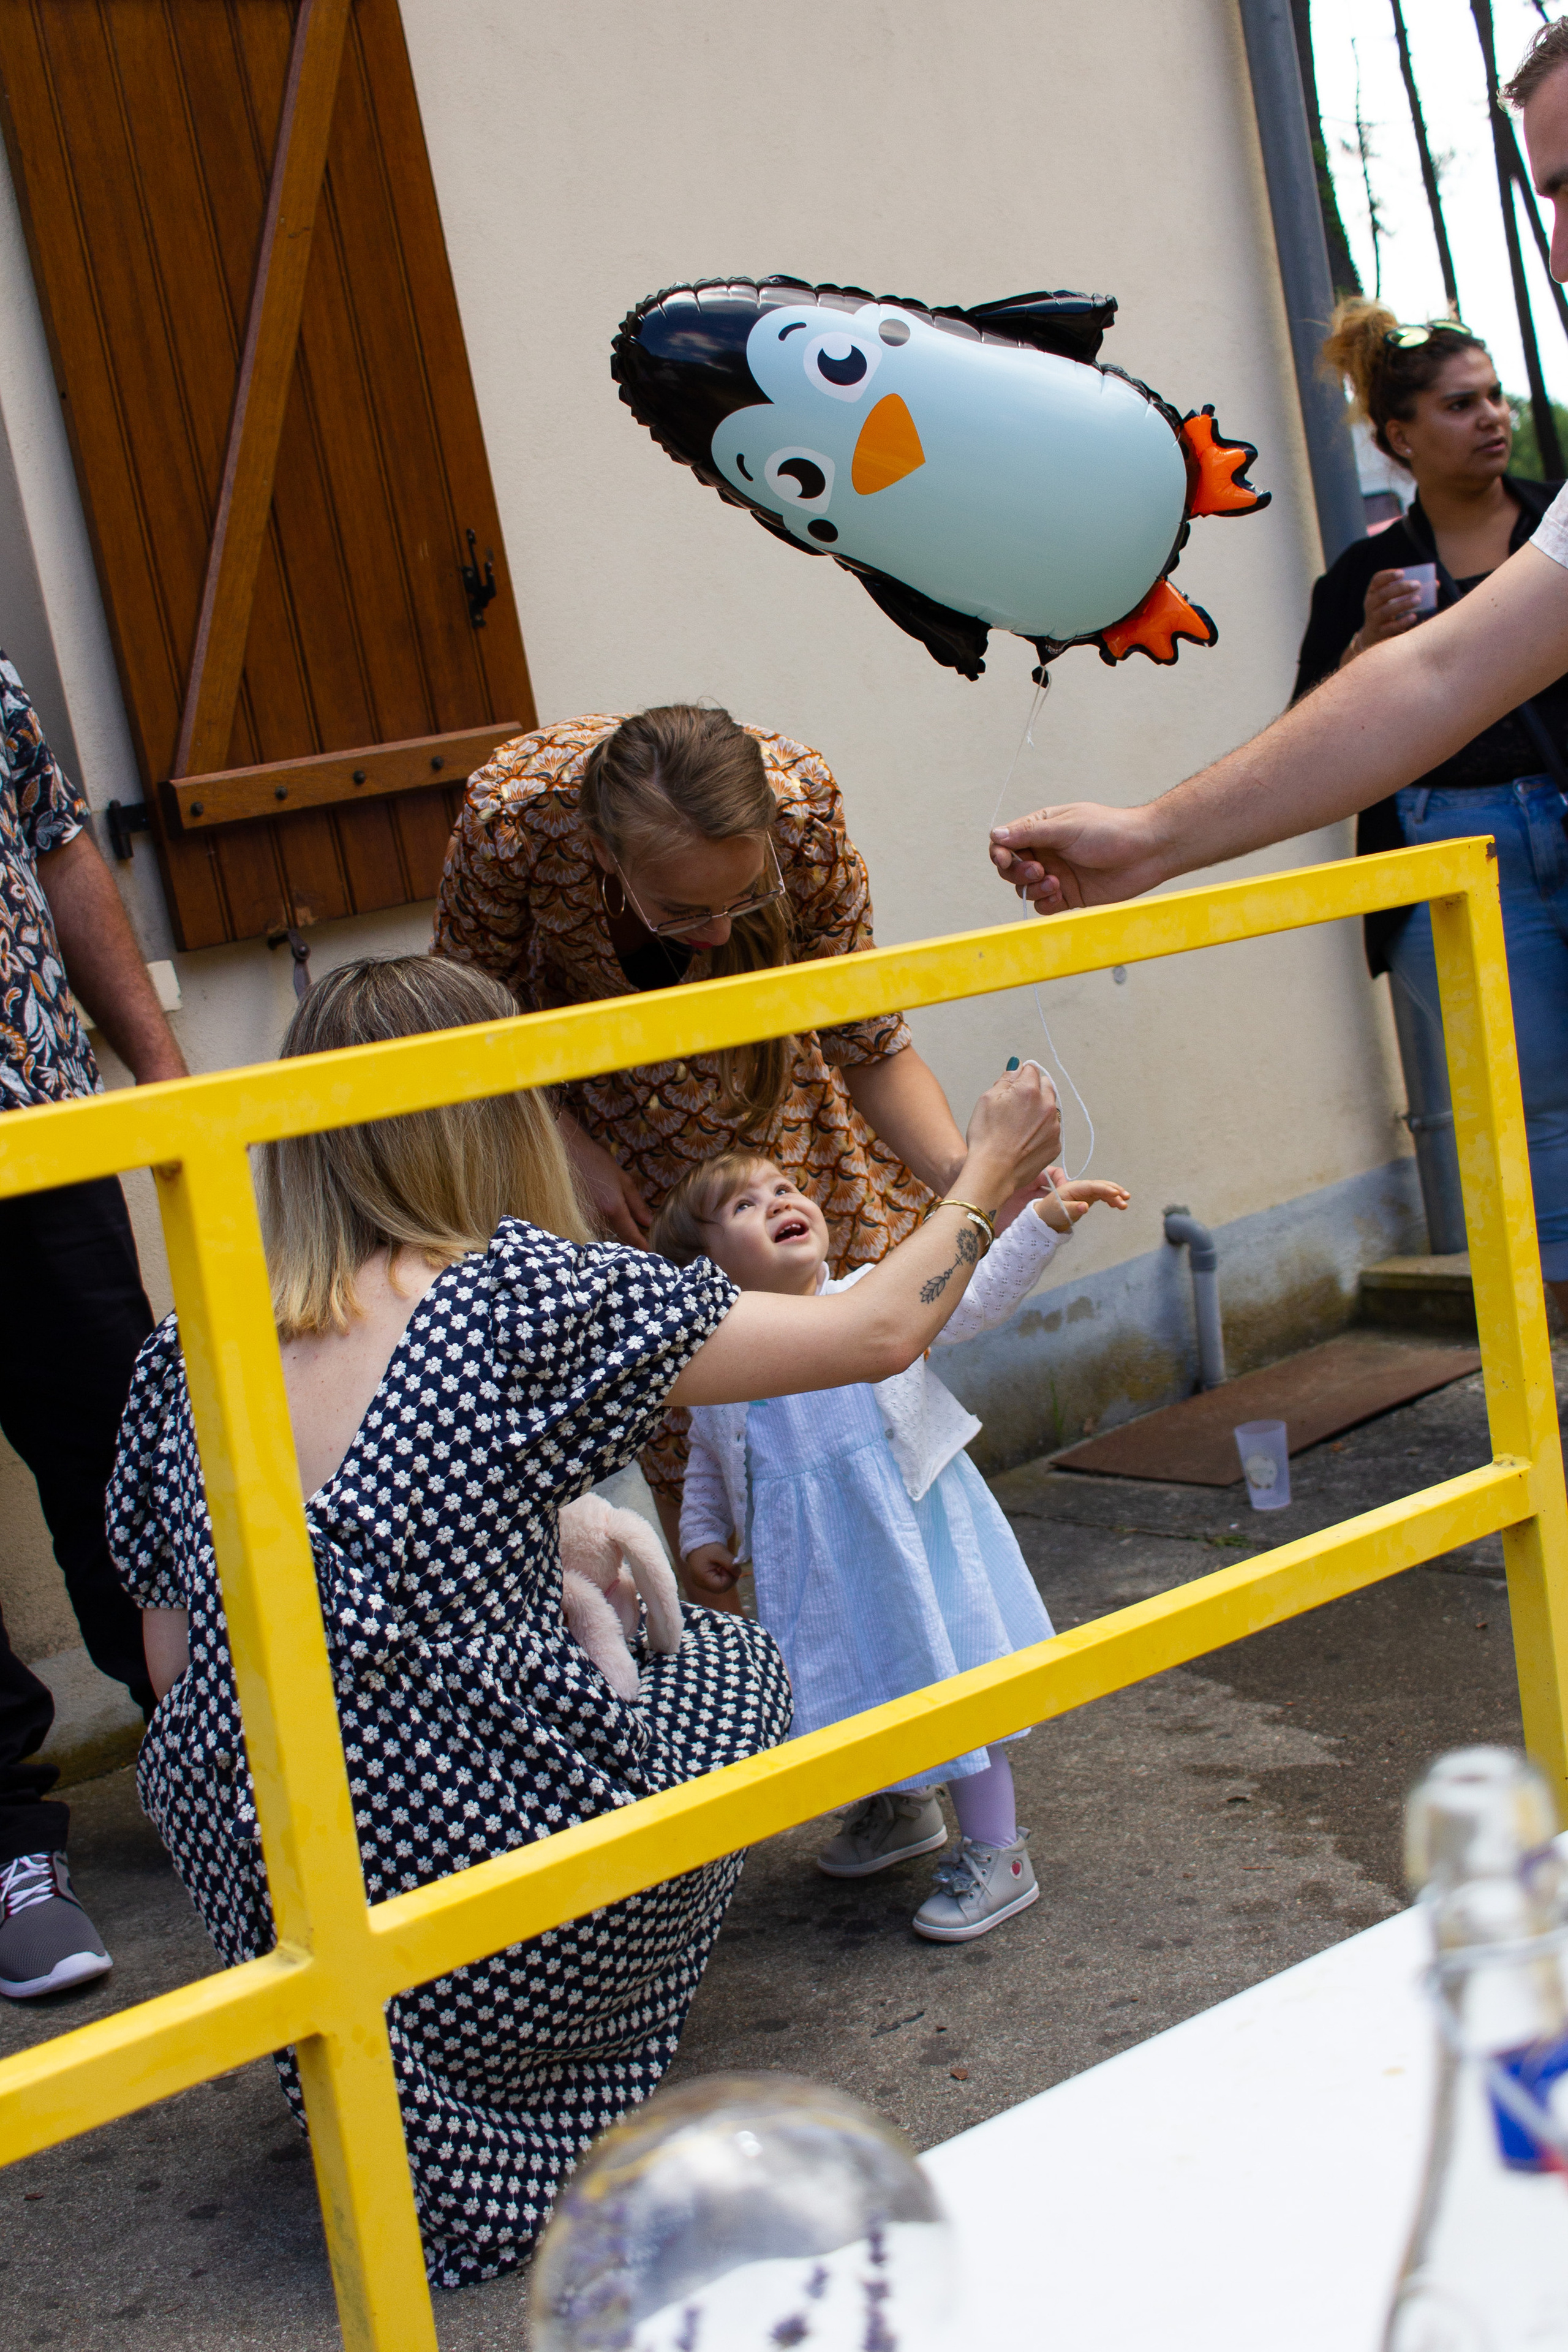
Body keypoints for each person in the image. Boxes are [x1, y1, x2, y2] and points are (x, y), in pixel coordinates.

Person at [107, 954, 1058, 2286]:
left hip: (300, 1949)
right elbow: (870, 1336)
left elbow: (172, 1669)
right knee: (732, 1665)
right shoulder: (511, 1293)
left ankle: (415, 2096)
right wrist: (985, 1174)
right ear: (482, 1115)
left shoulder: (185, 1349)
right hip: (510, 1931)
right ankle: (567, 2065)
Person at [987, 16, 1568, 1315]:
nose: (1562, 249)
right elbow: (1423, 688)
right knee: (1529, 1132)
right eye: (1547, 198)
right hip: (1456, 843)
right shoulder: (1389, 571)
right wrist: (1149, 836)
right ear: (1398, 436)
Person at [432, 704, 997, 1569]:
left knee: (869, 1403)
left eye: (744, 897)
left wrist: (976, 1179)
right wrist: (560, 1147)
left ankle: (921, 1636)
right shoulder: (513, 820)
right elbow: (464, 1035)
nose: (721, 933)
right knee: (694, 1446)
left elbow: (871, 1041)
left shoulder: (802, 803)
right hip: (610, 1152)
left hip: (779, 1120)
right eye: (682, 908)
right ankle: (764, 1670)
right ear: (600, 849)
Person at [652, 1147, 1128, 1942]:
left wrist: (1040, 1222)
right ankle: (900, 1808)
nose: (778, 1201)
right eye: (742, 1206)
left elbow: (967, 1297)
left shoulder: (869, 1298)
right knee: (855, 1686)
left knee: (947, 1680)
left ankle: (998, 1849)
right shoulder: (723, 1362)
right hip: (817, 1568)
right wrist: (703, 1533)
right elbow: (705, 1457)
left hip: (910, 1536)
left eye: (784, 1188)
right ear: (707, 1270)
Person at [1288, 300, 1567, 1278]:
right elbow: (1311, 741)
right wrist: (1366, 648)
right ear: (1400, 436)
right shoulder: (1368, 576)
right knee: (1536, 1112)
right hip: (1453, 852)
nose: (1492, 416)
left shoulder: (1554, 529)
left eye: (1494, 395)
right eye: (1461, 404)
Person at [0, 653, 187, 2002]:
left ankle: (205, 1744)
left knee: (129, 1451)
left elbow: (57, 845)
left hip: (41, 1128)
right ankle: (12, 1849)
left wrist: (162, 1075)